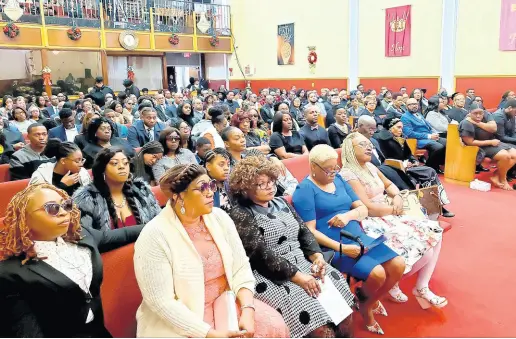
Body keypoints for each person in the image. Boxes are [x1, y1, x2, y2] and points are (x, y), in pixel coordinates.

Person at [133, 164, 289, 338]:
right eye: (202, 188)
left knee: (274, 325)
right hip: (183, 318)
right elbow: (162, 302)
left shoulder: (219, 217)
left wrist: (247, 309)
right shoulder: (154, 235)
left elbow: (240, 267)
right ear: (179, 196)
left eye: (211, 185)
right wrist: (209, 334)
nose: (210, 193)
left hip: (225, 302)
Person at [228, 156, 354, 338]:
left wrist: (317, 258)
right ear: (245, 188)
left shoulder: (282, 202)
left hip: (302, 263)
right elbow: (260, 255)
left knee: (344, 315)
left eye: (271, 181)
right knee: (319, 327)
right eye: (261, 184)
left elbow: (305, 233)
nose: (270, 186)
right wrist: (299, 278)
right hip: (272, 275)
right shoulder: (240, 213)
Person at [0, 184, 142, 337]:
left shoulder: (82, 235)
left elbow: (125, 234)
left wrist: (165, 222)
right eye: (52, 208)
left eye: (66, 205)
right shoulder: (9, 273)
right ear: (24, 217)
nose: (63, 213)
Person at [292, 144, 405, 335]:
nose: (333, 172)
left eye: (335, 167)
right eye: (328, 169)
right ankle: (367, 307)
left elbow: (363, 209)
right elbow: (309, 231)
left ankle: (365, 301)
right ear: (313, 167)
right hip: (333, 244)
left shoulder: (339, 179)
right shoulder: (304, 190)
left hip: (357, 235)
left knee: (398, 264)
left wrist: (347, 216)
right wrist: (342, 248)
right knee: (377, 274)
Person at [339, 133, 448, 307]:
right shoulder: (347, 173)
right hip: (371, 220)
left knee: (436, 232)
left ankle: (421, 286)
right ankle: (391, 282)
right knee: (425, 251)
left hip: (389, 213)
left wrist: (397, 197)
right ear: (351, 150)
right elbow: (367, 207)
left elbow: (390, 185)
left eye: (369, 144)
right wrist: (394, 209)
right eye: (363, 144)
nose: (369, 147)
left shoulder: (371, 167)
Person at [376, 117, 454, 217]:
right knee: (428, 172)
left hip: (407, 167)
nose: (401, 130)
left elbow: (409, 154)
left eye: (402, 127)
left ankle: (437, 205)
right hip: (393, 169)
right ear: (391, 128)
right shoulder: (383, 140)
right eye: (398, 127)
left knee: (430, 172)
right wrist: (403, 164)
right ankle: (435, 206)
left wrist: (413, 161)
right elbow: (385, 159)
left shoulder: (401, 138)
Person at [73, 147, 161, 230]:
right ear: (102, 169)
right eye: (115, 163)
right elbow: (87, 237)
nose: (122, 167)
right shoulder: (86, 199)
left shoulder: (141, 189)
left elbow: (158, 222)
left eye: (125, 163)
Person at [459, 103, 516, 190]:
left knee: (514, 154)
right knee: (505, 156)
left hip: (492, 142)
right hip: (479, 146)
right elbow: (470, 142)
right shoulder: (466, 123)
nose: (478, 115)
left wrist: (476, 123)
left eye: (480, 113)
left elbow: (493, 128)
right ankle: (503, 180)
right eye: (475, 113)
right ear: (470, 113)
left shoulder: (486, 115)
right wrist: (490, 142)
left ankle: (497, 175)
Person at [401, 98, 447, 172]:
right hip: (418, 139)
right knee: (438, 147)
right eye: (411, 104)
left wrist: (433, 134)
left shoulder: (419, 114)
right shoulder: (405, 117)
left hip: (429, 136)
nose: (414, 106)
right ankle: (428, 167)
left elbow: (428, 126)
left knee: (447, 143)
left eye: (415, 104)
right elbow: (409, 133)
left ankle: (437, 164)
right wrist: (429, 136)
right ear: (407, 106)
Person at [204, 148, 232, 212]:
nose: (226, 168)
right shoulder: (204, 188)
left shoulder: (231, 184)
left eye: (228, 165)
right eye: (221, 165)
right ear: (208, 166)